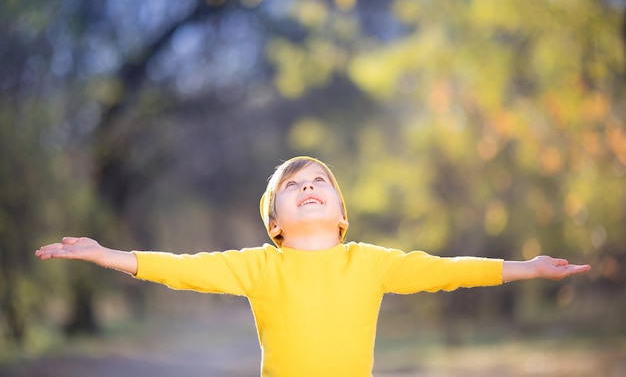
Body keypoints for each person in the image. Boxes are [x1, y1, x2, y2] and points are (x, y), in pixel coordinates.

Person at [36, 156, 591, 377]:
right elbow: (183, 267)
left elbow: (448, 269)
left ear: (341, 213)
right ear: (274, 222)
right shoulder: (258, 267)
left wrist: (528, 268)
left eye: (318, 181)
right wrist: (105, 255)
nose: (306, 187)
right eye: (291, 186)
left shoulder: (371, 263)